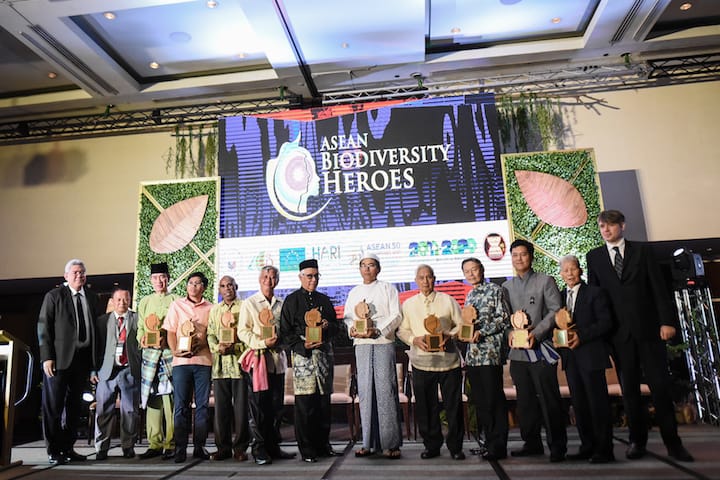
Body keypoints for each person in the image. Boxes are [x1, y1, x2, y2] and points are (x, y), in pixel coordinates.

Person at [586, 209, 693, 462]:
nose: (606, 230)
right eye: (602, 226)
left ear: (622, 225)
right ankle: (637, 441)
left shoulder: (643, 251)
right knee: (630, 392)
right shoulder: (595, 257)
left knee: (660, 387)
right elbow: (596, 298)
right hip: (618, 336)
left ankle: (673, 443)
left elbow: (659, 288)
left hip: (649, 332)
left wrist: (666, 322)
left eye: (610, 225)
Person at [502, 239, 567, 462]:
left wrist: (536, 333)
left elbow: (555, 310)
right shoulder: (506, 287)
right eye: (515, 255)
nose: (519, 258)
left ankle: (557, 445)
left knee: (549, 399)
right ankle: (532, 443)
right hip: (518, 355)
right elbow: (506, 318)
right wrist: (511, 332)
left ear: (531, 256)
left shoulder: (545, 281)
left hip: (541, 351)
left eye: (523, 254)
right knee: (525, 401)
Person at [397, 264, 466, 461]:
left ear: (434, 279)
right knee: (426, 408)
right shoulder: (409, 304)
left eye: (429, 277)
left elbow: (461, 325)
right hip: (421, 363)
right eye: (421, 277)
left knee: (453, 406)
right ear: (416, 280)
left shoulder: (448, 300)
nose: (425, 281)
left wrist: (449, 335)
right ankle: (432, 446)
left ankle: (455, 447)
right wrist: (414, 340)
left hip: (448, 362)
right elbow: (403, 330)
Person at [38, 259, 100, 465]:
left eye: (82, 272)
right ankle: (53, 450)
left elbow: (96, 331)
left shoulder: (91, 297)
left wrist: (93, 365)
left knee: (74, 408)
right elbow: (44, 328)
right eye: (74, 272)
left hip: (82, 361)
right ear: (66, 276)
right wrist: (47, 357)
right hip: (58, 361)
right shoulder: (54, 296)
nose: (79, 276)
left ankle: (68, 448)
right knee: (53, 407)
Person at [279, 259, 341, 463]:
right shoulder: (291, 300)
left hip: (323, 357)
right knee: (305, 405)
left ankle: (324, 446)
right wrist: (301, 345)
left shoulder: (324, 300)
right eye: (309, 276)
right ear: (300, 277)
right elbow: (286, 333)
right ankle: (307, 450)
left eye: (316, 276)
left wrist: (326, 326)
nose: (313, 280)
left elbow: (336, 327)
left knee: (323, 404)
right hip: (303, 358)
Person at [343, 253, 403, 459]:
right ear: (359, 269)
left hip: (382, 342)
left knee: (386, 391)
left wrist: (378, 330)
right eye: (363, 266)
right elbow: (348, 318)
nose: (367, 269)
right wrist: (352, 329)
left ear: (378, 268)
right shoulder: (354, 292)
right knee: (366, 392)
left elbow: (397, 315)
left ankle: (390, 444)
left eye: (371, 265)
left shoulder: (388, 288)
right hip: (362, 345)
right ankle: (368, 442)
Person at [557, 255, 614, 463]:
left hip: (591, 356)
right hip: (571, 360)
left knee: (597, 405)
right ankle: (587, 446)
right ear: (561, 274)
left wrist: (581, 336)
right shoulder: (560, 297)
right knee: (579, 405)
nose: (569, 273)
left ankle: (604, 450)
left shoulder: (595, 293)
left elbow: (605, 322)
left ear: (580, 270)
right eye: (565, 270)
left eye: (573, 269)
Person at [238, 266, 296, 465]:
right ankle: (259, 449)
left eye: (273, 277)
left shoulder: (282, 304)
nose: (269, 280)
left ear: (277, 281)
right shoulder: (250, 303)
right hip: (258, 362)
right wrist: (262, 343)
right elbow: (242, 332)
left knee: (276, 408)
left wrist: (281, 340)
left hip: (278, 362)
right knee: (258, 408)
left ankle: (273, 446)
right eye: (265, 277)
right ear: (259, 279)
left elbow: (288, 330)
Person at [459, 257, 510, 461]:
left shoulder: (495, 290)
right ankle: (487, 442)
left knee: (493, 401)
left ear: (482, 269)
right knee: (480, 402)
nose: (471, 274)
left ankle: (498, 446)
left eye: (474, 270)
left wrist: (484, 331)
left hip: (490, 354)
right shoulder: (470, 294)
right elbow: (467, 323)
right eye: (467, 271)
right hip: (473, 356)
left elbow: (503, 318)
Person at [163, 272, 213, 463]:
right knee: (181, 407)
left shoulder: (211, 308)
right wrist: (175, 351)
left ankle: (199, 447)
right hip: (181, 364)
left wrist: (202, 344)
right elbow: (171, 331)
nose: (193, 286)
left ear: (204, 287)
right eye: (190, 283)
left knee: (202, 407)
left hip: (203, 362)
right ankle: (180, 448)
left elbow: (213, 332)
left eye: (197, 283)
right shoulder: (177, 305)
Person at [92, 286, 141, 460]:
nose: (122, 302)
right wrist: (93, 369)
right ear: (112, 301)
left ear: (130, 300)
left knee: (129, 411)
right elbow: (95, 348)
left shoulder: (137, 318)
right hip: (107, 371)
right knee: (104, 410)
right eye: (118, 299)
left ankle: (128, 446)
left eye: (126, 299)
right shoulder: (101, 321)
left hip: (129, 370)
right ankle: (101, 447)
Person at [136, 262, 178, 460]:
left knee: (170, 400)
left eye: (162, 277)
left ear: (168, 278)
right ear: (151, 280)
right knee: (152, 399)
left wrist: (166, 339)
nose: (159, 281)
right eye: (155, 278)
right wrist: (142, 339)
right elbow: (140, 329)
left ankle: (171, 443)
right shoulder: (144, 302)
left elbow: (180, 327)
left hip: (169, 355)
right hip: (150, 357)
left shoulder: (176, 300)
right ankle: (154, 443)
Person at [206, 275, 250, 462]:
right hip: (220, 367)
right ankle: (222, 448)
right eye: (223, 286)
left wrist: (236, 347)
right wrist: (218, 348)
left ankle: (240, 448)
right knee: (221, 411)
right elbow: (210, 335)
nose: (227, 289)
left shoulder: (245, 307)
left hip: (239, 366)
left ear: (236, 286)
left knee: (241, 410)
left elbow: (250, 334)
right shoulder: (215, 310)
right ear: (219, 290)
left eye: (230, 285)